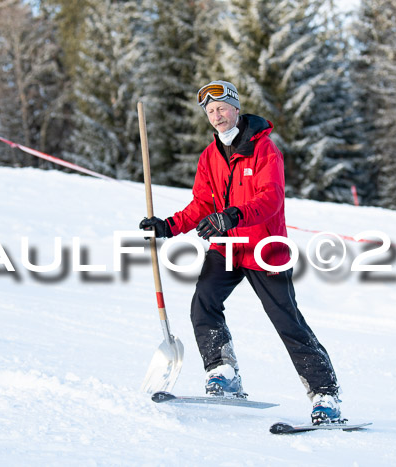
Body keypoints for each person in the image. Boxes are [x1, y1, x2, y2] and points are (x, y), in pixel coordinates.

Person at [139, 80, 341, 423]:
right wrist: (169, 226)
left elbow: (270, 198)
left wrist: (232, 215)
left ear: (236, 108)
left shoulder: (265, 150)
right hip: (227, 247)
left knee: (287, 322)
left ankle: (325, 396)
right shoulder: (210, 156)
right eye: (210, 111)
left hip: (265, 248)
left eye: (221, 109)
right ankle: (223, 373)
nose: (216, 116)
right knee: (204, 303)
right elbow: (202, 203)